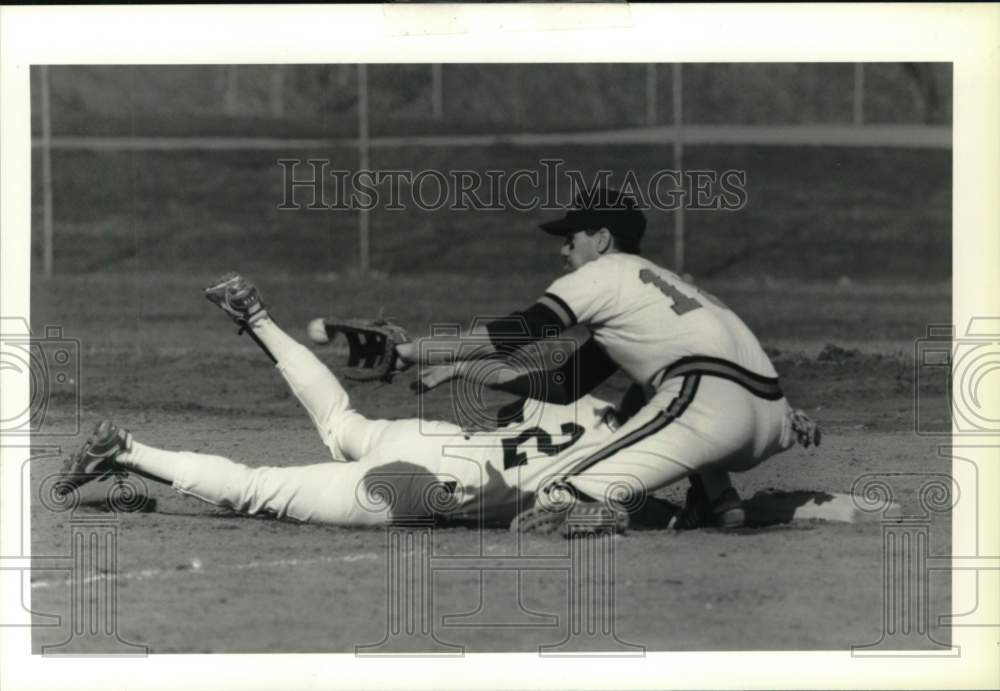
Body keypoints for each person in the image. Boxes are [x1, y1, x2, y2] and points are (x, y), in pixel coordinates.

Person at [55, 273, 645, 531]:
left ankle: (255, 315)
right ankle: (126, 451)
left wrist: (455, 365)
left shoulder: (576, 401)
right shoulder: (629, 457)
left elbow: (513, 398)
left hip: (431, 440)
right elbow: (604, 509)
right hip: (427, 489)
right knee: (257, 490)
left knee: (342, 421)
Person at [396, 187, 819, 531]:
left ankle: (634, 508)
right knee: (650, 388)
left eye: (571, 238)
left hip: (708, 407)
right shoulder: (660, 290)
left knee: (557, 496)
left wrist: (412, 351)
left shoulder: (603, 273)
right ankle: (717, 498)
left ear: (601, 240)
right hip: (772, 417)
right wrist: (469, 369)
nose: (564, 251)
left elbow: (520, 332)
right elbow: (563, 386)